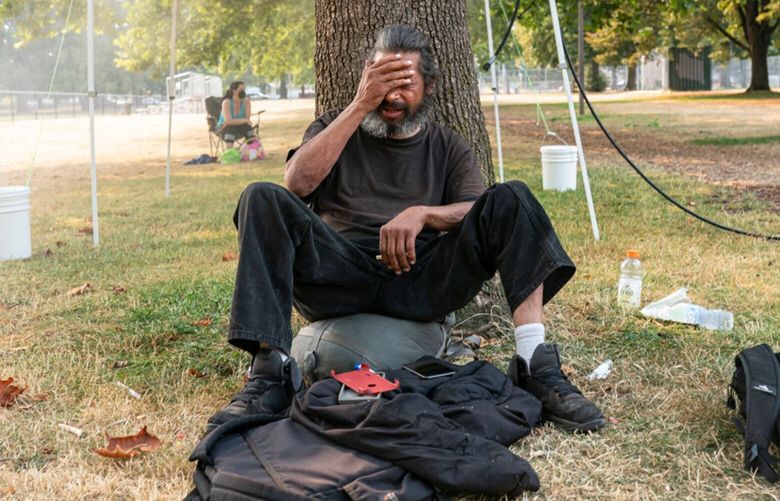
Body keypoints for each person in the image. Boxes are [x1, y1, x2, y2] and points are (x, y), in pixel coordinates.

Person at [205, 24, 605, 434]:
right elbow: (296, 185)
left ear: (429, 86)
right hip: (339, 275)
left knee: (512, 197)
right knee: (261, 196)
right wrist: (360, 105)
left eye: (405, 84)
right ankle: (269, 374)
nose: (391, 97)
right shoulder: (333, 126)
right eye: (381, 83)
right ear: (365, 79)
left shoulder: (448, 145)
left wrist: (424, 214)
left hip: (421, 281)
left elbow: (475, 207)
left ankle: (534, 363)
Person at [217, 81, 255, 148]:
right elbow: (228, 121)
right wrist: (244, 120)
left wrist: (244, 121)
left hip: (238, 126)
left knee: (248, 127)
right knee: (230, 127)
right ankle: (229, 152)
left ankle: (253, 149)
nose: (243, 92)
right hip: (223, 127)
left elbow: (247, 119)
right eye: (241, 89)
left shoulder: (246, 102)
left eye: (244, 89)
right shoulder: (226, 102)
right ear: (234, 91)